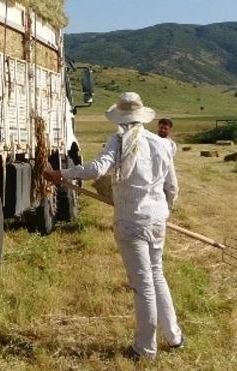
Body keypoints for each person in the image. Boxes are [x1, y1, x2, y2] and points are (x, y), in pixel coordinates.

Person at [45, 92, 183, 360]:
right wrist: (164, 210)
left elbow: (97, 170)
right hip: (156, 220)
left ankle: (145, 348)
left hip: (131, 223)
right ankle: (174, 336)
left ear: (120, 118)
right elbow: (172, 188)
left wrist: (62, 174)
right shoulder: (163, 145)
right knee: (157, 275)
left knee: (143, 283)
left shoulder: (119, 142)